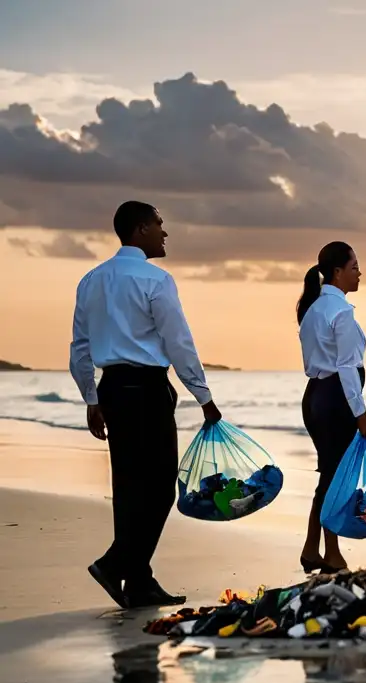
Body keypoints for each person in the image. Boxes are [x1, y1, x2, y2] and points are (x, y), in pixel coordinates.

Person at [70, 201, 222, 610]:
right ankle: (115, 562)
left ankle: (138, 582)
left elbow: (80, 346)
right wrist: (203, 396)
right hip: (148, 389)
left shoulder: (91, 280)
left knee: (128, 488)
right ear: (140, 230)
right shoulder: (156, 279)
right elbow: (178, 342)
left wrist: (91, 397)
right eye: (159, 225)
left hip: (113, 390)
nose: (164, 233)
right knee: (158, 490)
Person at [297, 241, 366, 574]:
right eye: (354, 266)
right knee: (335, 477)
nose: (359, 272)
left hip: (315, 396)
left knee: (329, 474)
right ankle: (331, 552)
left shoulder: (313, 308)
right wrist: (361, 413)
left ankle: (314, 548)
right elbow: (345, 367)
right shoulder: (340, 311)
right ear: (338, 272)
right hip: (336, 399)